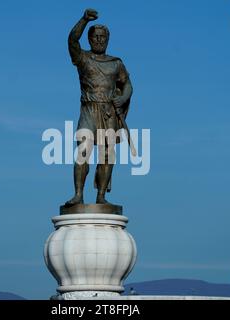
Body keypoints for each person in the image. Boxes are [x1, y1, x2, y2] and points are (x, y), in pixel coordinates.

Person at [65, 8, 133, 206]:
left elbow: (127, 85)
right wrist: (84, 19)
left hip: (108, 112)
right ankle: (78, 195)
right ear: (90, 39)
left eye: (103, 37)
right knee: (83, 150)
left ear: (108, 40)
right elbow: (71, 40)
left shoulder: (116, 63)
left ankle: (101, 196)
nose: (99, 40)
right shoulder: (82, 58)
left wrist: (122, 99)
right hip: (88, 109)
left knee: (106, 156)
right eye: (95, 37)